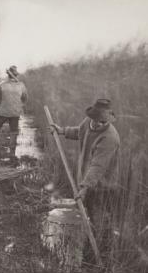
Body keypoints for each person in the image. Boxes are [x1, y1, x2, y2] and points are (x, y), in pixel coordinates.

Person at [50, 98, 121, 258]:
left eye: (104, 122)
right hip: (87, 181)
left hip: (103, 185)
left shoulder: (110, 137)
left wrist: (84, 187)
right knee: (91, 217)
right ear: (93, 117)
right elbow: (80, 132)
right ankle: (92, 252)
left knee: (100, 221)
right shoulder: (88, 122)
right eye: (97, 121)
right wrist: (62, 130)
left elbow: (98, 166)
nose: (99, 125)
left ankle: (101, 256)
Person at [0, 65, 28, 160]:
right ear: (16, 75)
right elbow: (25, 98)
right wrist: (19, 106)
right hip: (15, 112)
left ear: (8, 75)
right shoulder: (21, 85)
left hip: (2, 111)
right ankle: (12, 153)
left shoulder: (2, 85)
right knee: (13, 132)